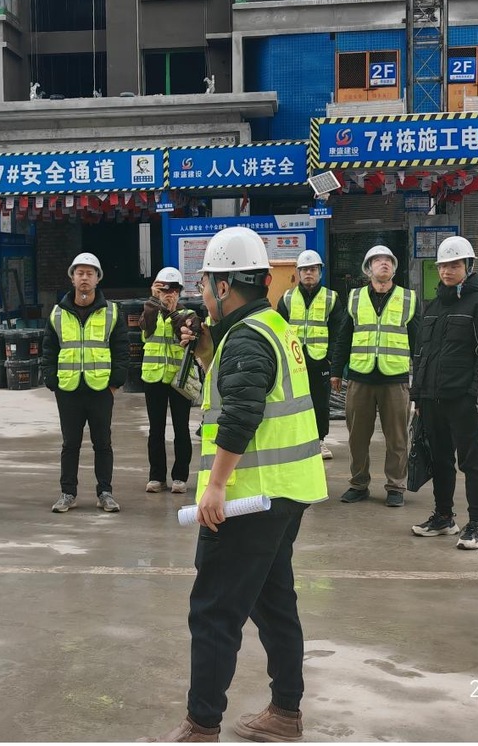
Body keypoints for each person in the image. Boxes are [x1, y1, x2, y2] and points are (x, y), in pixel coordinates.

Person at [143, 227, 328, 743]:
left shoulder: (246, 338)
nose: (201, 295)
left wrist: (216, 487)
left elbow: (242, 415)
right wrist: (207, 353)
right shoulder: (272, 327)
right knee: (274, 602)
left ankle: (201, 724)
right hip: (286, 491)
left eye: (205, 285)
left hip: (250, 499)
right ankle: (286, 711)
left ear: (224, 286)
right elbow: (250, 394)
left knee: (214, 611)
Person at [409, 236, 478, 549]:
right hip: (432, 399)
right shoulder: (432, 306)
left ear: (468, 266)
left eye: (454, 265)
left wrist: (475, 397)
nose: (447, 271)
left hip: (463, 400)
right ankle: (444, 517)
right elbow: (421, 354)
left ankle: (477, 524)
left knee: (471, 464)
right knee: (440, 460)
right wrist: (418, 395)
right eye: (443, 265)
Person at [332, 245, 420, 508]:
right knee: (357, 437)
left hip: (395, 379)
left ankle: (395, 486)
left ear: (394, 268)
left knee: (398, 438)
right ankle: (359, 484)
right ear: (368, 269)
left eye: (388, 260)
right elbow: (343, 337)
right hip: (360, 378)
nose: (384, 263)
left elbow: (419, 343)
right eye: (378, 260)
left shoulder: (408, 299)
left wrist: (420, 381)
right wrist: (336, 371)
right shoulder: (355, 298)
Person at [41, 252, 128, 513]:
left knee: (103, 443)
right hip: (68, 389)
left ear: (97, 279)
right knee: (70, 444)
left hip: (100, 389)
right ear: (72, 278)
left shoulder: (112, 312)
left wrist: (115, 383)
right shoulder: (57, 313)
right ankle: (68, 493)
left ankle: (105, 493)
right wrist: (52, 380)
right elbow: (49, 349)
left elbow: (121, 348)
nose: (84, 278)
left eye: (90, 273)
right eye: (79, 273)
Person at [276, 249, 344, 461]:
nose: (308, 273)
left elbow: (338, 332)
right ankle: (296, 440)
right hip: (294, 361)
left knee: (320, 404)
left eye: (313, 269)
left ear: (320, 272)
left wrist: (331, 360)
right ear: (298, 272)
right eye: (304, 269)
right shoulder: (287, 299)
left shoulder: (331, 299)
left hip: (320, 361)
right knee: (293, 402)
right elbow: (279, 331)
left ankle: (319, 441)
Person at [140, 266, 196, 495]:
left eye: (173, 289)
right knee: (156, 429)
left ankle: (180, 477)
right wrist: (154, 301)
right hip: (154, 377)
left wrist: (172, 312)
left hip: (179, 379)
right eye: (164, 289)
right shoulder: (150, 310)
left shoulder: (189, 315)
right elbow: (146, 327)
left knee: (181, 428)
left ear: (180, 292)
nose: (169, 294)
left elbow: (182, 329)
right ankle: (156, 477)